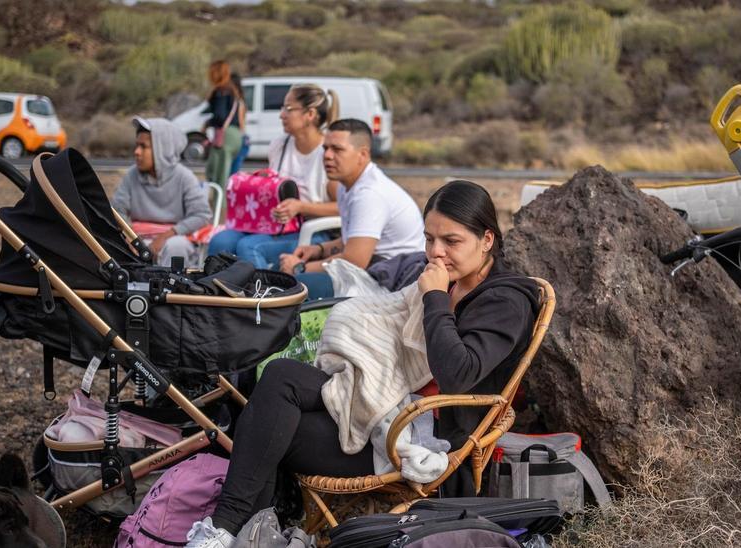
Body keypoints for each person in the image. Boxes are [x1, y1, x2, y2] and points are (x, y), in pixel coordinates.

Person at [183, 180, 540, 548]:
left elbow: (458, 374)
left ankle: (228, 530)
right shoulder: (452, 278)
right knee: (278, 377)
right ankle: (235, 530)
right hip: (391, 403)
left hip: (424, 439)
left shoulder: (505, 302)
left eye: (451, 241)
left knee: (269, 428)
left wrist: (434, 297)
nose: (436, 252)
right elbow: (390, 326)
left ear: (486, 240)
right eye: (429, 238)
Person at [278, 119, 424, 300]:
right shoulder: (347, 185)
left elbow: (355, 260)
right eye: (325, 148)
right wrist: (319, 249)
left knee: (292, 287)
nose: (327, 156)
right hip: (376, 269)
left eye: (337, 149)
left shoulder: (369, 194)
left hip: (393, 284)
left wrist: (299, 268)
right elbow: (354, 238)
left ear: (362, 154)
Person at [207, 83, 342, 268]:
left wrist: (301, 207)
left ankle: (266, 295)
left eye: (288, 109)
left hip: (313, 231)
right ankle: (216, 293)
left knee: (250, 247)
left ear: (310, 115)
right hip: (274, 225)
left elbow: (342, 207)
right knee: (220, 242)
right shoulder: (280, 145)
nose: (281, 115)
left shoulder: (327, 154)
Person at [112, 117, 212, 268]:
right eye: (137, 145)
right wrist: (129, 236)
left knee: (176, 247)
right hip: (139, 237)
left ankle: (169, 290)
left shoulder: (184, 177)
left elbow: (201, 215)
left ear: (162, 149)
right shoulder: (132, 175)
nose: (136, 152)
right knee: (115, 244)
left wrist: (166, 236)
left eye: (143, 147)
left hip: (174, 238)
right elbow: (118, 210)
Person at [203, 60, 245, 190]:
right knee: (226, 175)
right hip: (235, 135)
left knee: (217, 177)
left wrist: (207, 124)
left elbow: (220, 116)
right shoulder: (233, 91)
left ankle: (219, 208)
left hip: (225, 136)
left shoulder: (221, 91)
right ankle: (224, 206)